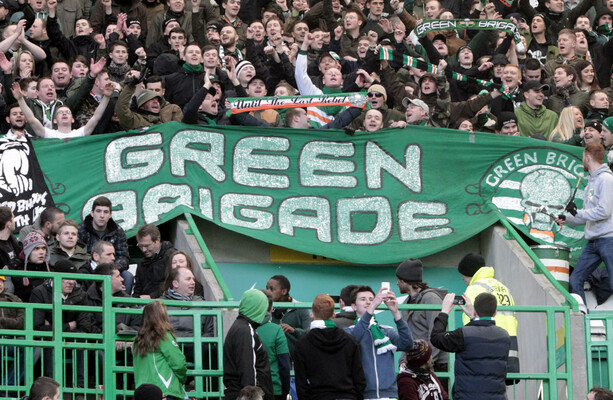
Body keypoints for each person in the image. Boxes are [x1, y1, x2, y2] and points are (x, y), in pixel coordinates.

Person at [556, 143, 613, 304]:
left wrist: (577, 212)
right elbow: (586, 216)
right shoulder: (591, 183)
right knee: (575, 280)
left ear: (587, 157)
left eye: (583, 157)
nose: (582, 160)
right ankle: (581, 321)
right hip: (593, 241)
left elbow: (604, 211)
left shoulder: (607, 179)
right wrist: (567, 217)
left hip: (609, 239)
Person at [431, 292, 510, 400]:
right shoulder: (504, 336)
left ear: (475, 310)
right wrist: (474, 319)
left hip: (467, 396)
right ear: (495, 312)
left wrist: (444, 312)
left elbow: (436, 338)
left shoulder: (463, 334)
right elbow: (481, 333)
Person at [457, 253, 519, 382]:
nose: (462, 278)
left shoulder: (474, 288)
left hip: (486, 344)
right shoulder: (502, 287)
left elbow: (470, 320)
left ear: (469, 272)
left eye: (463, 274)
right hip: (509, 342)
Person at [345, 285, 413, 399]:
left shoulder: (386, 331)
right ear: (353, 306)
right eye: (363, 299)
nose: (368, 302)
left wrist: (396, 313)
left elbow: (407, 344)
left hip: (388, 394)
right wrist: (371, 309)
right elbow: (354, 340)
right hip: (362, 395)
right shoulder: (348, 331)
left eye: (371, 299)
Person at [293, 294, 365, 400]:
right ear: (333, 314)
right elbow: (359, 378)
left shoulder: (303, 344)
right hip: (347, 396)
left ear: (311, 314)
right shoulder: (350, 340)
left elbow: (301, 383)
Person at [30, 260, 90, 388]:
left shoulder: (81, 295)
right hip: (49, 337)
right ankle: (51, 389)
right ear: (56, 276)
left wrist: (52, 325)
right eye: (66, 277)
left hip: (71, 336)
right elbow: (38, 327)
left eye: (73, 278)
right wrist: (69, 325)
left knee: (81, 339)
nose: (71, 282)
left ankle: (80, 389)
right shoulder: (40, 292)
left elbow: (84, 327)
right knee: (49, 339)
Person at [395, 258, 448, 382]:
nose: (397, 283)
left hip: (436, 366)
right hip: (418, 366)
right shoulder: (406, 303)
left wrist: (425, 363)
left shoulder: (431, 299)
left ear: (404, 281)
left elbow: (436, 335)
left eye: (399, 280)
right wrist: (403, 361)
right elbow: (408, 337)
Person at [223, 289, 274, 400]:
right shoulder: (246, 330)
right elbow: (247, 368)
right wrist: (254, 395)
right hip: (247, 395)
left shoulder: (239, 327)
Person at [133, 301, 187, 400]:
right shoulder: (164, 336)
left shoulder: (137, 340)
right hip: (164, 391)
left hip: (143, 393)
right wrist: (182, 379)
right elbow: (179, 364)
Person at [77, 196, 132, 293]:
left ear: (110, 214)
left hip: (112, 270)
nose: (102, 215)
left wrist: (111, 270)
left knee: (127, 276)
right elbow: (78, 255)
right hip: (90, 269)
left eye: (106, 212)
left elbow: (124, 257)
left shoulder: (118, 231)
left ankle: (123, 305)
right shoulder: (81, 230)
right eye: (98, 211)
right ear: (92, 213)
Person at [256, 290, 290, 400]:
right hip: (274, 387)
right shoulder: (277, 330)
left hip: (250, 389)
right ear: (271, 309)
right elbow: (284, 364)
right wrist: (285, 389)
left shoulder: (244, 328)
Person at [266, 274, 310, 356]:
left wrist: (293, 330)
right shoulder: (266, 309)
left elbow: (309, 335)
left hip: (296, 361)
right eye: (267, 288)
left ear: (284, 291)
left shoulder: (301, 308)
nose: (267, 292)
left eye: (271, 289)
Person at [133, 224, 176, 299]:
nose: (143, 250)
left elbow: (172, 284)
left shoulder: (172, 257)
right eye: (140, 246)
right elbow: (137, 290)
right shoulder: (141, 264)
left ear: (157, 240)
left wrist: (151, 296)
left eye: (147, 246)